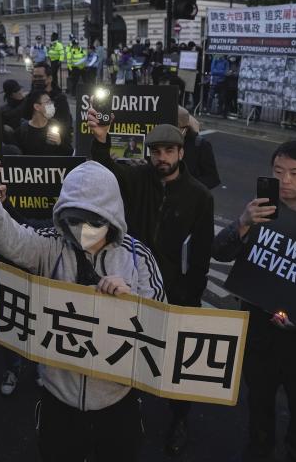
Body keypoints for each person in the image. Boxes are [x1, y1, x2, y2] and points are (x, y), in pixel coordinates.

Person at [0, 146, 166, 461]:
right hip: (59, 400)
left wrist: (132, 303)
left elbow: (162, 325)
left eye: (93, 219)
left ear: (111, 214)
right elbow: (10, 238)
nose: (82, 230)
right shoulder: (51, 246)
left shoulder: (138, 256)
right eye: (74, 218)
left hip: (118, 400)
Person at [86, 115, 213, 457]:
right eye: (156, 151)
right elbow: (104, 174)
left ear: (181, 153)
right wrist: (100, 139)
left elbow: (201, 254)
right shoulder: (137, 178)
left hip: (176, 294)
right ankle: (128, 412)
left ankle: (180, 418)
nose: (162, 158)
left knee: (176, 367)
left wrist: (189, 299)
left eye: (169, 150)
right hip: (131, 289)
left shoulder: (199, 196)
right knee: (130, 353)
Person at [212, 140, 296, 461]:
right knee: (259, 418)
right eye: (279, 171)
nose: (286, 180)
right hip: (261, 339)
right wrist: (243, 223)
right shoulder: (258, 213)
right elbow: (219, 251)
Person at [14, 90, 74, 156]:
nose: (52, 104)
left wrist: (60, 143)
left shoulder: (57, 126)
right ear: (37, 107)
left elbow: (70, 153)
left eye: (51, 101)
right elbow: (18, 159)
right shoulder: (22, 131)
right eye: (48, 102)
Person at [178, 106, 220, 189]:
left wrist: (188, 185)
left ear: (186, 128)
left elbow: (213, 178)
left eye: (177, 127)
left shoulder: (200, 145)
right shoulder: (165, 141)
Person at [32, 62, 73, 141]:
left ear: (49, 78)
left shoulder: (59, 99)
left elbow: (65, 126)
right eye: (35, 77)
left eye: (40, 77)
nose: (37, 79)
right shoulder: (31, 96)